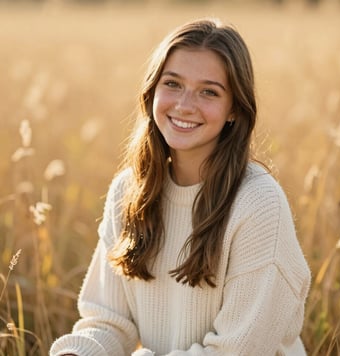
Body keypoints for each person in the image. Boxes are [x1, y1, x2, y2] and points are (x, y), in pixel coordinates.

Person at [50, 18, 311, 356]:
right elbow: (109, 323)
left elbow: (236, 352)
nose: (185, 105)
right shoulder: (128, 191)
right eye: (172, 84)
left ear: (234, 109)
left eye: (209, 92)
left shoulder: (259, 205)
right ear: (152, 90)